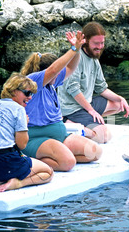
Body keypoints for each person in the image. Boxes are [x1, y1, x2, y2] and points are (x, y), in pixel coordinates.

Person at [20, 31, 102, 171]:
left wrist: (77, 51)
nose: (59, 75)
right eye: (57, 73)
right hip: (37, 138)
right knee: (68, 163)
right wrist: (73, 49)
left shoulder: (52, 83)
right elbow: (53, 70)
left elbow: (70, 68)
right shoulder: (33, 81)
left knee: (94, 152)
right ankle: (29, 159)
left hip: (60, 136)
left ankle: (59, 155)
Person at [0, 74, 53, 192]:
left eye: (31, 94)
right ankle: (18, 183)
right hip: (5, 164)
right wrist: (24, 124)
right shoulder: (18, 108)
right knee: (48, 172)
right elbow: (22, 145)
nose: (30, 97)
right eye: (27, 93)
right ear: (14, 91)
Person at [58, 21, 129, 144]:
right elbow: (73, 89)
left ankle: (88, 122)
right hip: (72, 108)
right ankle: (68, 123)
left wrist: (120, 98)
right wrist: (91, 110)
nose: (100, 47)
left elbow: (101, 88)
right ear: (85, 41)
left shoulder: (94, 59)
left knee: (119, 105)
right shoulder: (76, 56)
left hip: (86, 103)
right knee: (103, 137)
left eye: (102, 43)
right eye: (96, 43)